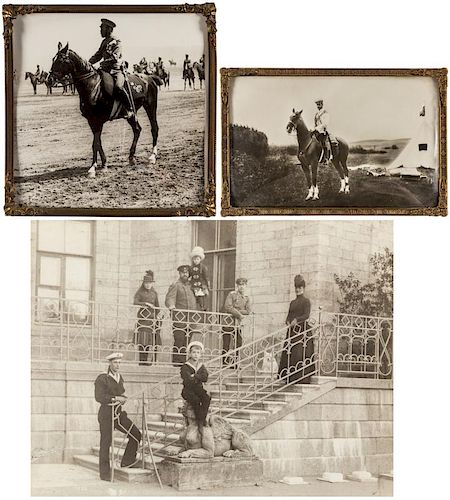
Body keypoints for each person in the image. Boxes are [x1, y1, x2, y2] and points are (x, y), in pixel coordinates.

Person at [94, 353, 142, 481]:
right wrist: (115, 398)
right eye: (115, 362)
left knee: (136, 434)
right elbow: (99, 397)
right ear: (110, 363)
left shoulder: (119, 377)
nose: (118, 365)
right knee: (106, 443)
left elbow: (121, 392)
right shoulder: (102, 377)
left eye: (119, 362)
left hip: (118, 413)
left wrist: (124, 398)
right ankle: (105, 475)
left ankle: (127, 461)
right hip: (106, 414)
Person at [89, 18, 135, 118]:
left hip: (116, 70)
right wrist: (87, 63)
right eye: (101, 28)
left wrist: (102, 64)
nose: (100, 30)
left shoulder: (116, 41)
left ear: (109, 29)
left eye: (102, 28)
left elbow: (115, 57)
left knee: (118, 87)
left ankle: (129, 109)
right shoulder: (104, 42)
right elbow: (98, 55)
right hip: (105, 71)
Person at [278, 275, 314, 384]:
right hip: (292, 331)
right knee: (290, 352)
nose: (298, 289)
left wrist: (297, 320)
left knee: (299, 353)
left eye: (300, 287)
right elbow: (289, 315)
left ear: (303, 288)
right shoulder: (292, 303)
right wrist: (288, 321)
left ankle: (302, 378)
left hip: (302, 330)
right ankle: (290, 377)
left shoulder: (306, 301)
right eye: (296, 287)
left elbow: (306, 315)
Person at [165, 265, 198, 366]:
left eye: (187, 273)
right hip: (180, 318)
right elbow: (169, 298)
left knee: (187, 342)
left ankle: (184, 363)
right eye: (183, 273)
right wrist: (171, 306)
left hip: (191, 319)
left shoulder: (191, 286)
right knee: (179, 340)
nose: (185, 274)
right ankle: (176, 364)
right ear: (179, 273)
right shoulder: (176, 285)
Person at [180, 341, 211, 429]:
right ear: (190, 353)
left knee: (206, 398)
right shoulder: (185, 366)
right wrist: (198, 377)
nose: (196, 355)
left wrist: (195, 376)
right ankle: (199, 420)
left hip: (198, 389)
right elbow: (188, 380)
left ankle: (202, 418)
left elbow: (205, 378)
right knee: (196, 400)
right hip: (188, 390)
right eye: (194, 352)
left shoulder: (201, 366)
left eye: (198, 353)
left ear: (200, 355)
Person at [222, 278, 252, 366]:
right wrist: (239, 314)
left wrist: (236, 311)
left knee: (238, 343)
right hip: (228, 322)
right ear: (237, 286)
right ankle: (225, 363)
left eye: (243, 285)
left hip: (238, 324)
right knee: (226, 343)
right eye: (240, 285)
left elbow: (248, 311)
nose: (241, 287)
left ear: (246, 286)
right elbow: (228, 307)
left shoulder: (246, 298)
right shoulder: (232, 295)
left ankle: (235, 363)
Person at [133, 270, 161, 366]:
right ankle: (142, 361)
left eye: (150, 283)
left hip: (152, 320)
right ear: (143, 283)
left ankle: (148, 361)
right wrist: (145, 303)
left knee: (150, 341)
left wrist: (158, 315)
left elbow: (158, 306)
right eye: (146, 283)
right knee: (143, 342)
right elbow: (135, 302)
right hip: (143, 320)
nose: (148, 285)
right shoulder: (140, 292)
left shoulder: (154, 293)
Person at [189, 246, 210, 311]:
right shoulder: (191, 268)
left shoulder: (203, 267)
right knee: (193, 296)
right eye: (194, 259)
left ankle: (203, 307)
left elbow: (206, 277)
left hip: (201, 285)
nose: (196, 261)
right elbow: (189, 275)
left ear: (200, 259)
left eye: (197, 259)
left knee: (201, 296)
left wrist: (207, 286)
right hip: (193, 284)